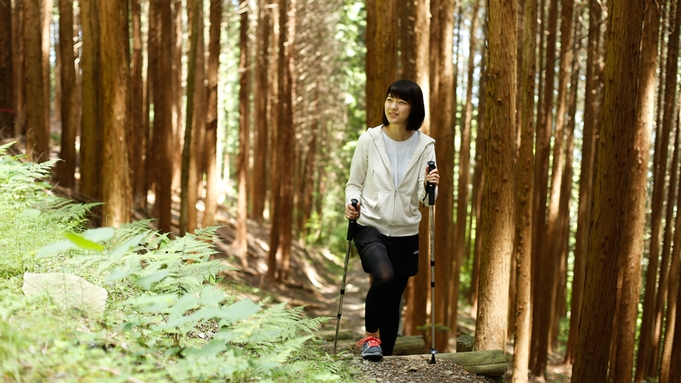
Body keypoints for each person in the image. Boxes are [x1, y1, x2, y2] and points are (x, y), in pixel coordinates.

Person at [345, 79, 439, 360]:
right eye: (389, 99)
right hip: (370, 225)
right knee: (383, 276)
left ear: (414, 108)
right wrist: (352, 203)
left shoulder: (425, 145)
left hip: (406, 230)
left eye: (401, 102)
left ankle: (382, 353)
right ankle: (370, 337)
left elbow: (426, 199)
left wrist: (430, 184)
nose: (393, 107)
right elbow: (354, 184)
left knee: (395, 293)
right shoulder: (369, 140)